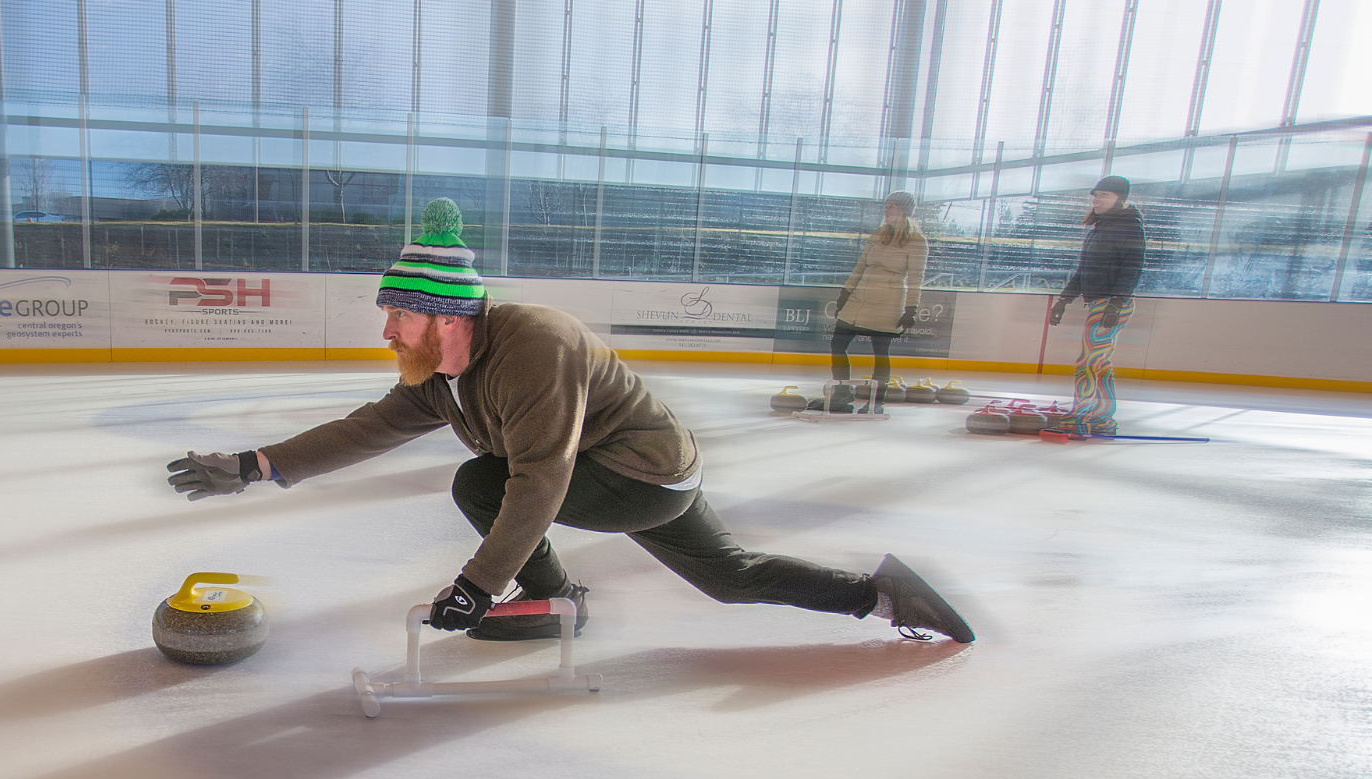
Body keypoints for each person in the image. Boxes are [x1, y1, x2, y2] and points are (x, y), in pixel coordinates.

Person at [166, 199, 973, 644]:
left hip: (641, 474)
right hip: (657, 469)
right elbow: (367, 427)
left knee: (483, 479)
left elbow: (541, 477)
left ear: (444, 317)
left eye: (397, 319)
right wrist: (255, 465)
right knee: (731, 579)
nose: (386, 334)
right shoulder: (440, 374)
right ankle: (882, 598)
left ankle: (553, 601)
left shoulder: (532, 345)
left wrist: (480, 586)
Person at [809, 191, 928, 413]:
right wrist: (845, 293)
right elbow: (861, 265)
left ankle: (876, 403)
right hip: (860, 297)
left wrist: (911, 309)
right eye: (886, 205)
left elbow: (916, 279)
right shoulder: (878, 234)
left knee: (881, 352)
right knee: (838, 343)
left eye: (891, 206)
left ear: (903, 211)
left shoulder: (916, 241)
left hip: (888, 301)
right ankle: (842, 394)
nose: (886, 210)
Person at [1049, 175, 1145, 436]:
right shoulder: (1101, 227)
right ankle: (1102, 418)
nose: (1097, 199)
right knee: (1099, 363)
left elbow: (1132, 269)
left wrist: (1115, 304)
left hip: (1112, 303)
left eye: (1105, 195)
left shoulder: (1129, 226)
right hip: (1100, 302)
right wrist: (1064, 299)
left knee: (1087, 362)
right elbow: (1083, 270)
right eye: (1095, 194)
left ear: (1120, 198)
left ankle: (1081, 416)